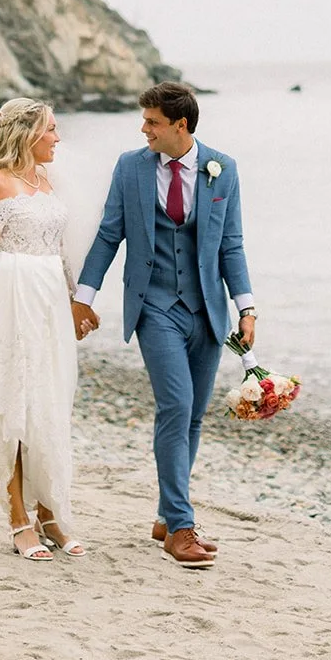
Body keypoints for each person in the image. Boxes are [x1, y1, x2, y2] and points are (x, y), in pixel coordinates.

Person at [72, 82, 256, 569]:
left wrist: (247, 308)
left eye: (152, 122)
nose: (144, 129)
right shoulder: (131, 167)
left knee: (193, 415)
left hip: (207, 311)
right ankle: (180, 526)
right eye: (144, 121)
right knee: (174, 405)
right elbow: (110, 234)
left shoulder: (223, 168)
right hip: (153, 307)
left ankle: (164, 515)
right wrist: (82, 298)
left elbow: (231, 245)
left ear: (181, 126)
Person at [0, 98, 86, 561]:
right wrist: (29, 273)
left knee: (50, 406)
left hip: (52, 310)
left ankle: (50, 512)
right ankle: (20, 518)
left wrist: (77, 300)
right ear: (27, 134)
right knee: (17, 407)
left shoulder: (48, 182)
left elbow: (59, 250)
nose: (58, 138)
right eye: (52, 130)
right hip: (17, 313)